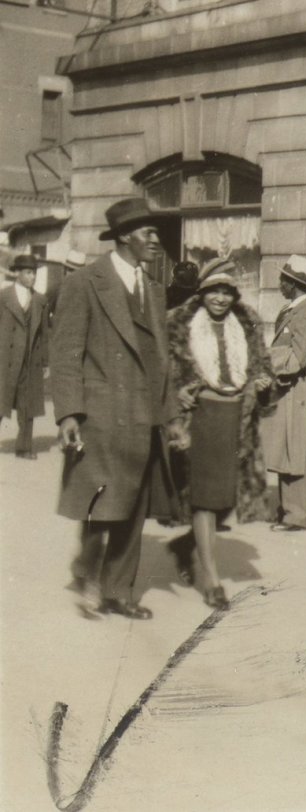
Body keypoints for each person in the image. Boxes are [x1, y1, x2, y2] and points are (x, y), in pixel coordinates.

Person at [51, 197, 177, 620]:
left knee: (134, 507)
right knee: (100, 503)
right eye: (148, 233)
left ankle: (119, 592)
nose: (156, 240)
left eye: (156, 233)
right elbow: (66, 352)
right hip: (102, 414)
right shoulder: (86, 282)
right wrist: (69, 413)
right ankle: (88, 574)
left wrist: (173, 416)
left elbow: (161, 359)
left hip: (145, 416)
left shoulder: (154, 290)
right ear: (125, 236)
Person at [164, 258, 274, 610]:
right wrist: (177, 399)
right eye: (215, 291)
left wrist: (262, 382)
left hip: (238, 419)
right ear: (203, 292)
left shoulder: (246, 323)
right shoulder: (181, 324)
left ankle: (185, 545)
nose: (221, 299)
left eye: (227, 292)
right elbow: (165, 374)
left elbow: (263, 366)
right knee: (205, 499)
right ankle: (211, 580)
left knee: (226, 499)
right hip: (200, 418)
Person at [260, 255, 306, 532]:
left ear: (294, 284)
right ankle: (287, 510)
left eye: (284, 280)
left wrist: (266, 363)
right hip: (287, 390)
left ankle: (297, 515)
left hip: (295, 390)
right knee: (287, 449)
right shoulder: (293, 310)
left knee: (295, 451)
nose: (280, 284)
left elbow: (299, 359)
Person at [1, 254, 49, 459]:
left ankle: (24, 447)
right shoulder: (4, 297)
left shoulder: (40, 300)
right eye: (28, 272)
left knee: (27, 405)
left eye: (34, 273)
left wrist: (46, 361)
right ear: (18, 273)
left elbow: (45, 333)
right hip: (5, 358)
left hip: (30, 359)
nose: (33, 277)